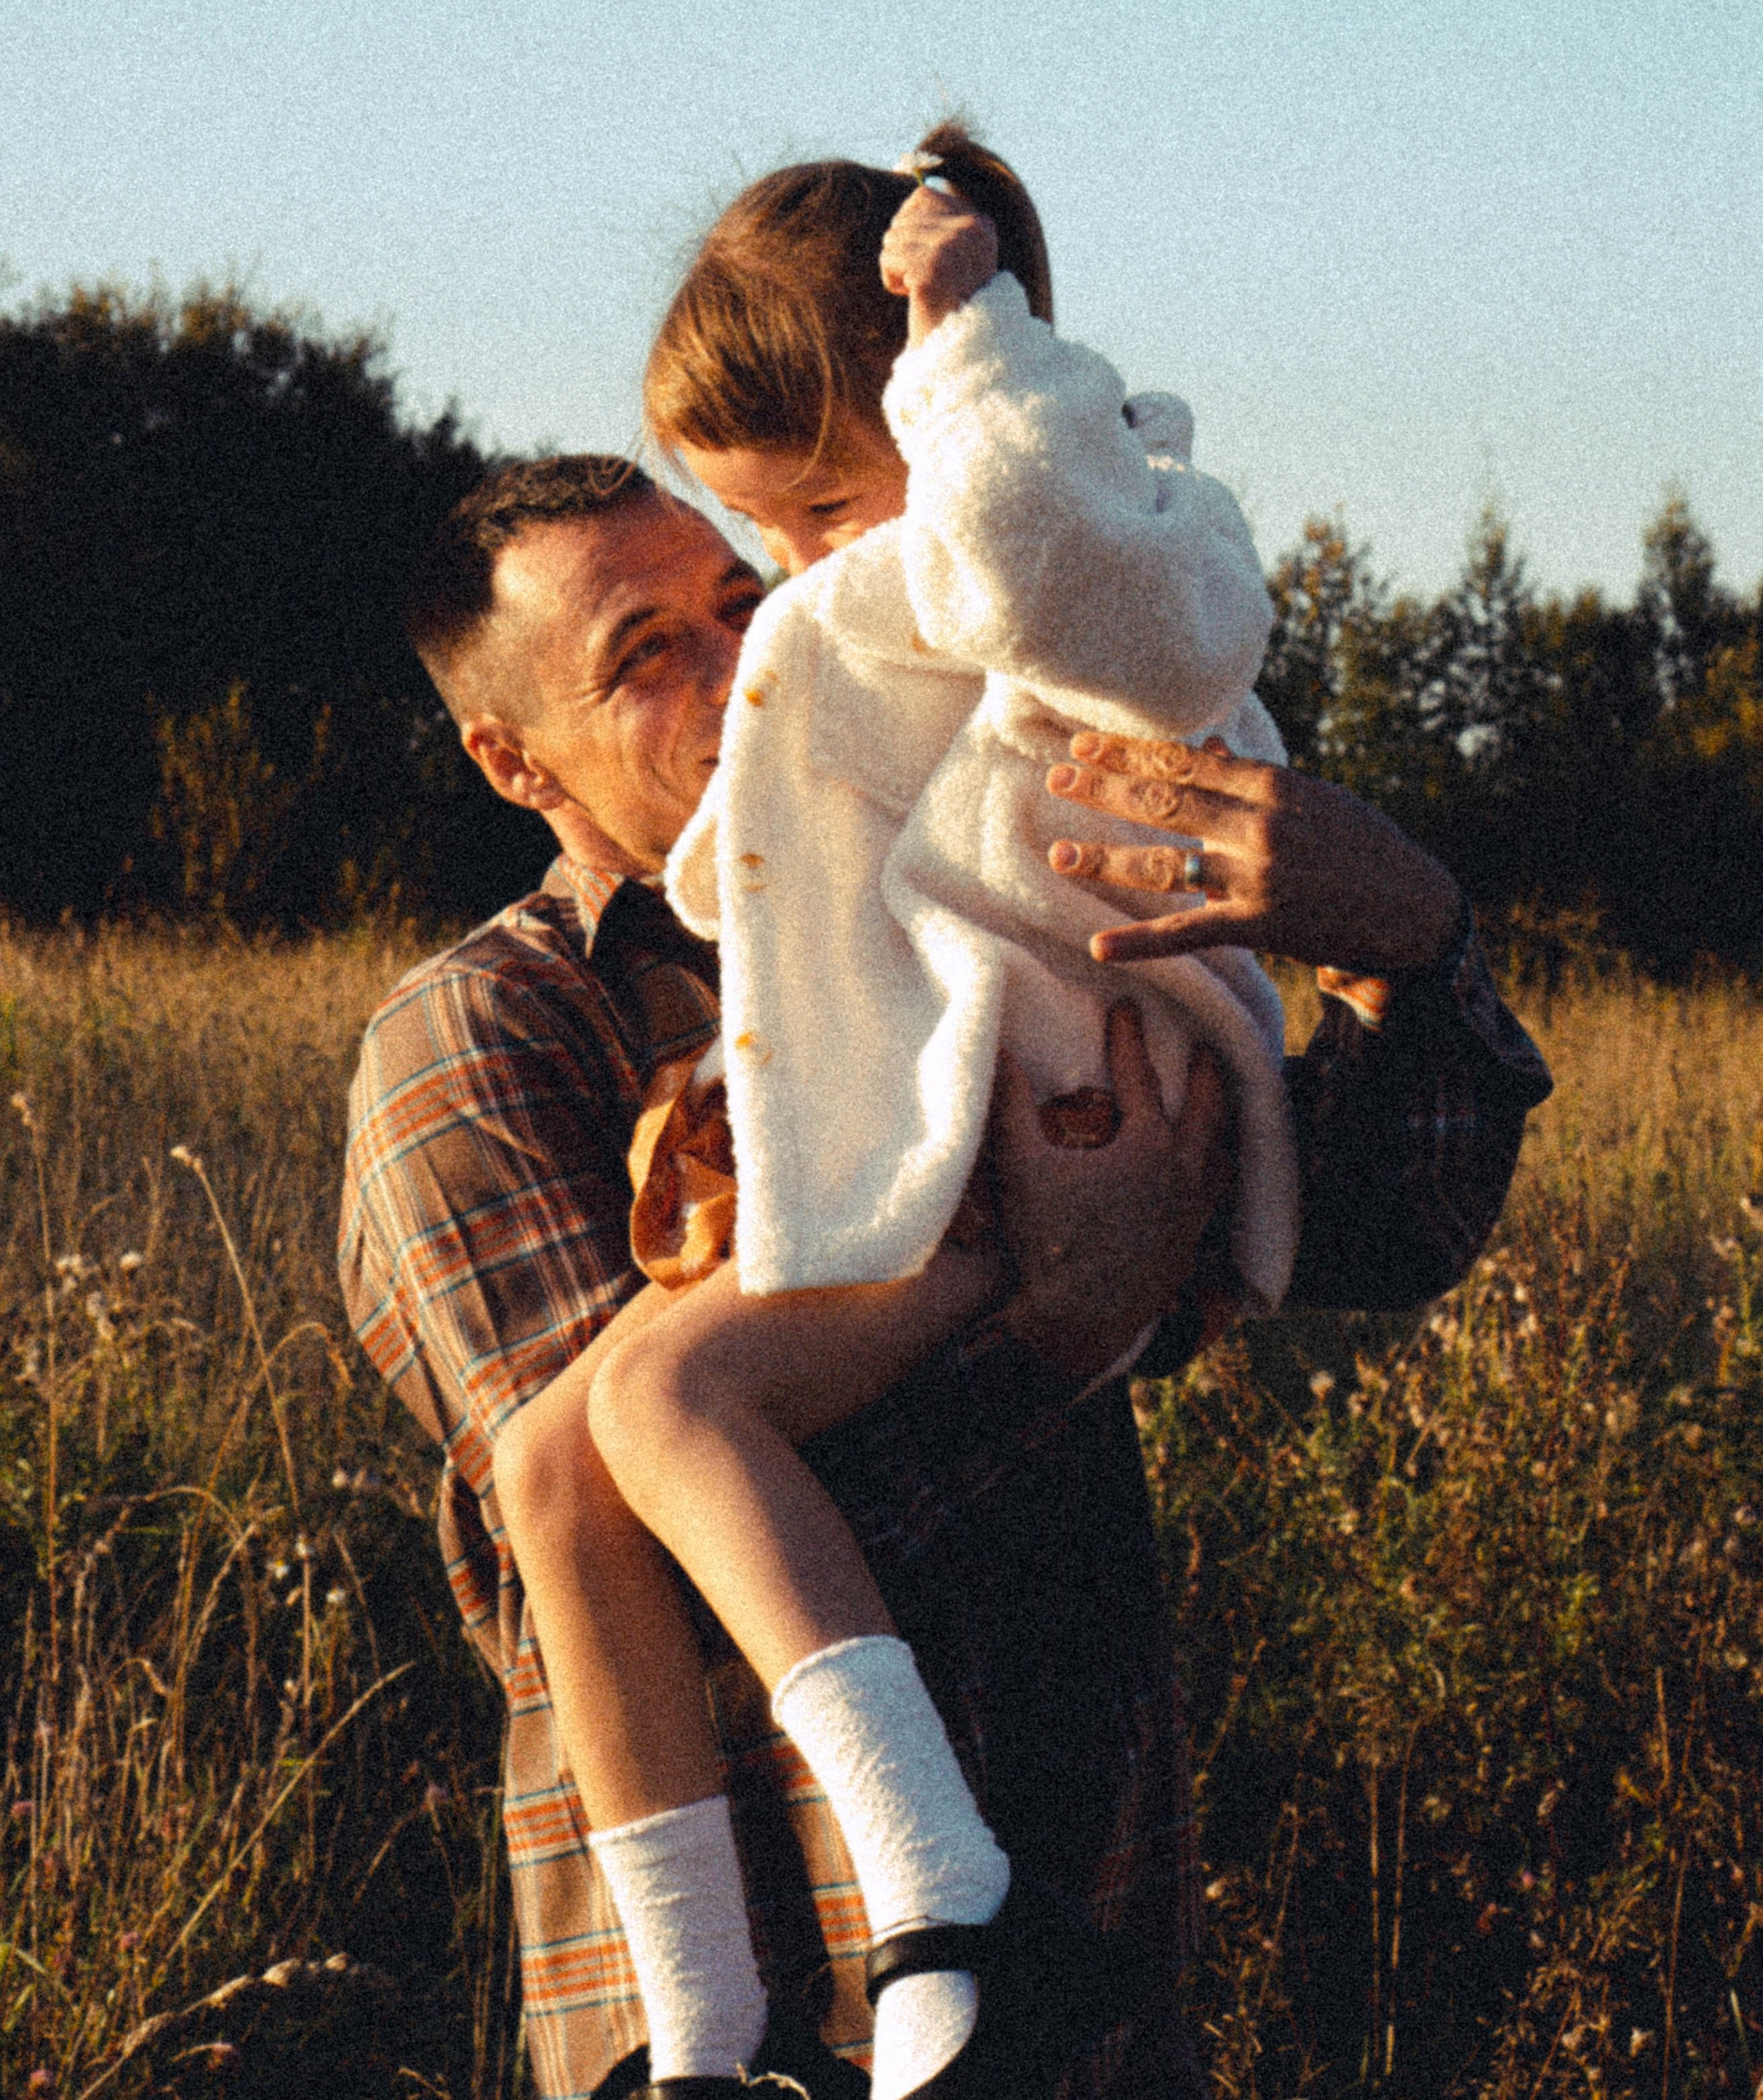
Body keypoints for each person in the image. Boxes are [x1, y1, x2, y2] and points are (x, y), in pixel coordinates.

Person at [340, 452, 1550, 2100]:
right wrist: (1058, 1321)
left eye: (742, 602)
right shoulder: (488, 1036)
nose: (741, 664)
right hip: (782, 1998)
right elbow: (613, 1547)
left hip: (1087, 1943)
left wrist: (1401, 940)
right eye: (647, 655)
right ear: (511, 758)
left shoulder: (959, 905)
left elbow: (1384, 1224)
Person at [494, 127, 1310, 2100]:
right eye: (757, 527)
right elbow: (793, 851)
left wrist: (970, 358)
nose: (793, 571)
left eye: (816, 508)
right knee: (552, 1463)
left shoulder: (1102, 537)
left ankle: (939, 1892)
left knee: (668, 1405)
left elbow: (1098, 613)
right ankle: (699, 2026)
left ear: (943, 411)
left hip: (1057, 1105)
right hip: (950, 1121)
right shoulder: (895, 588)